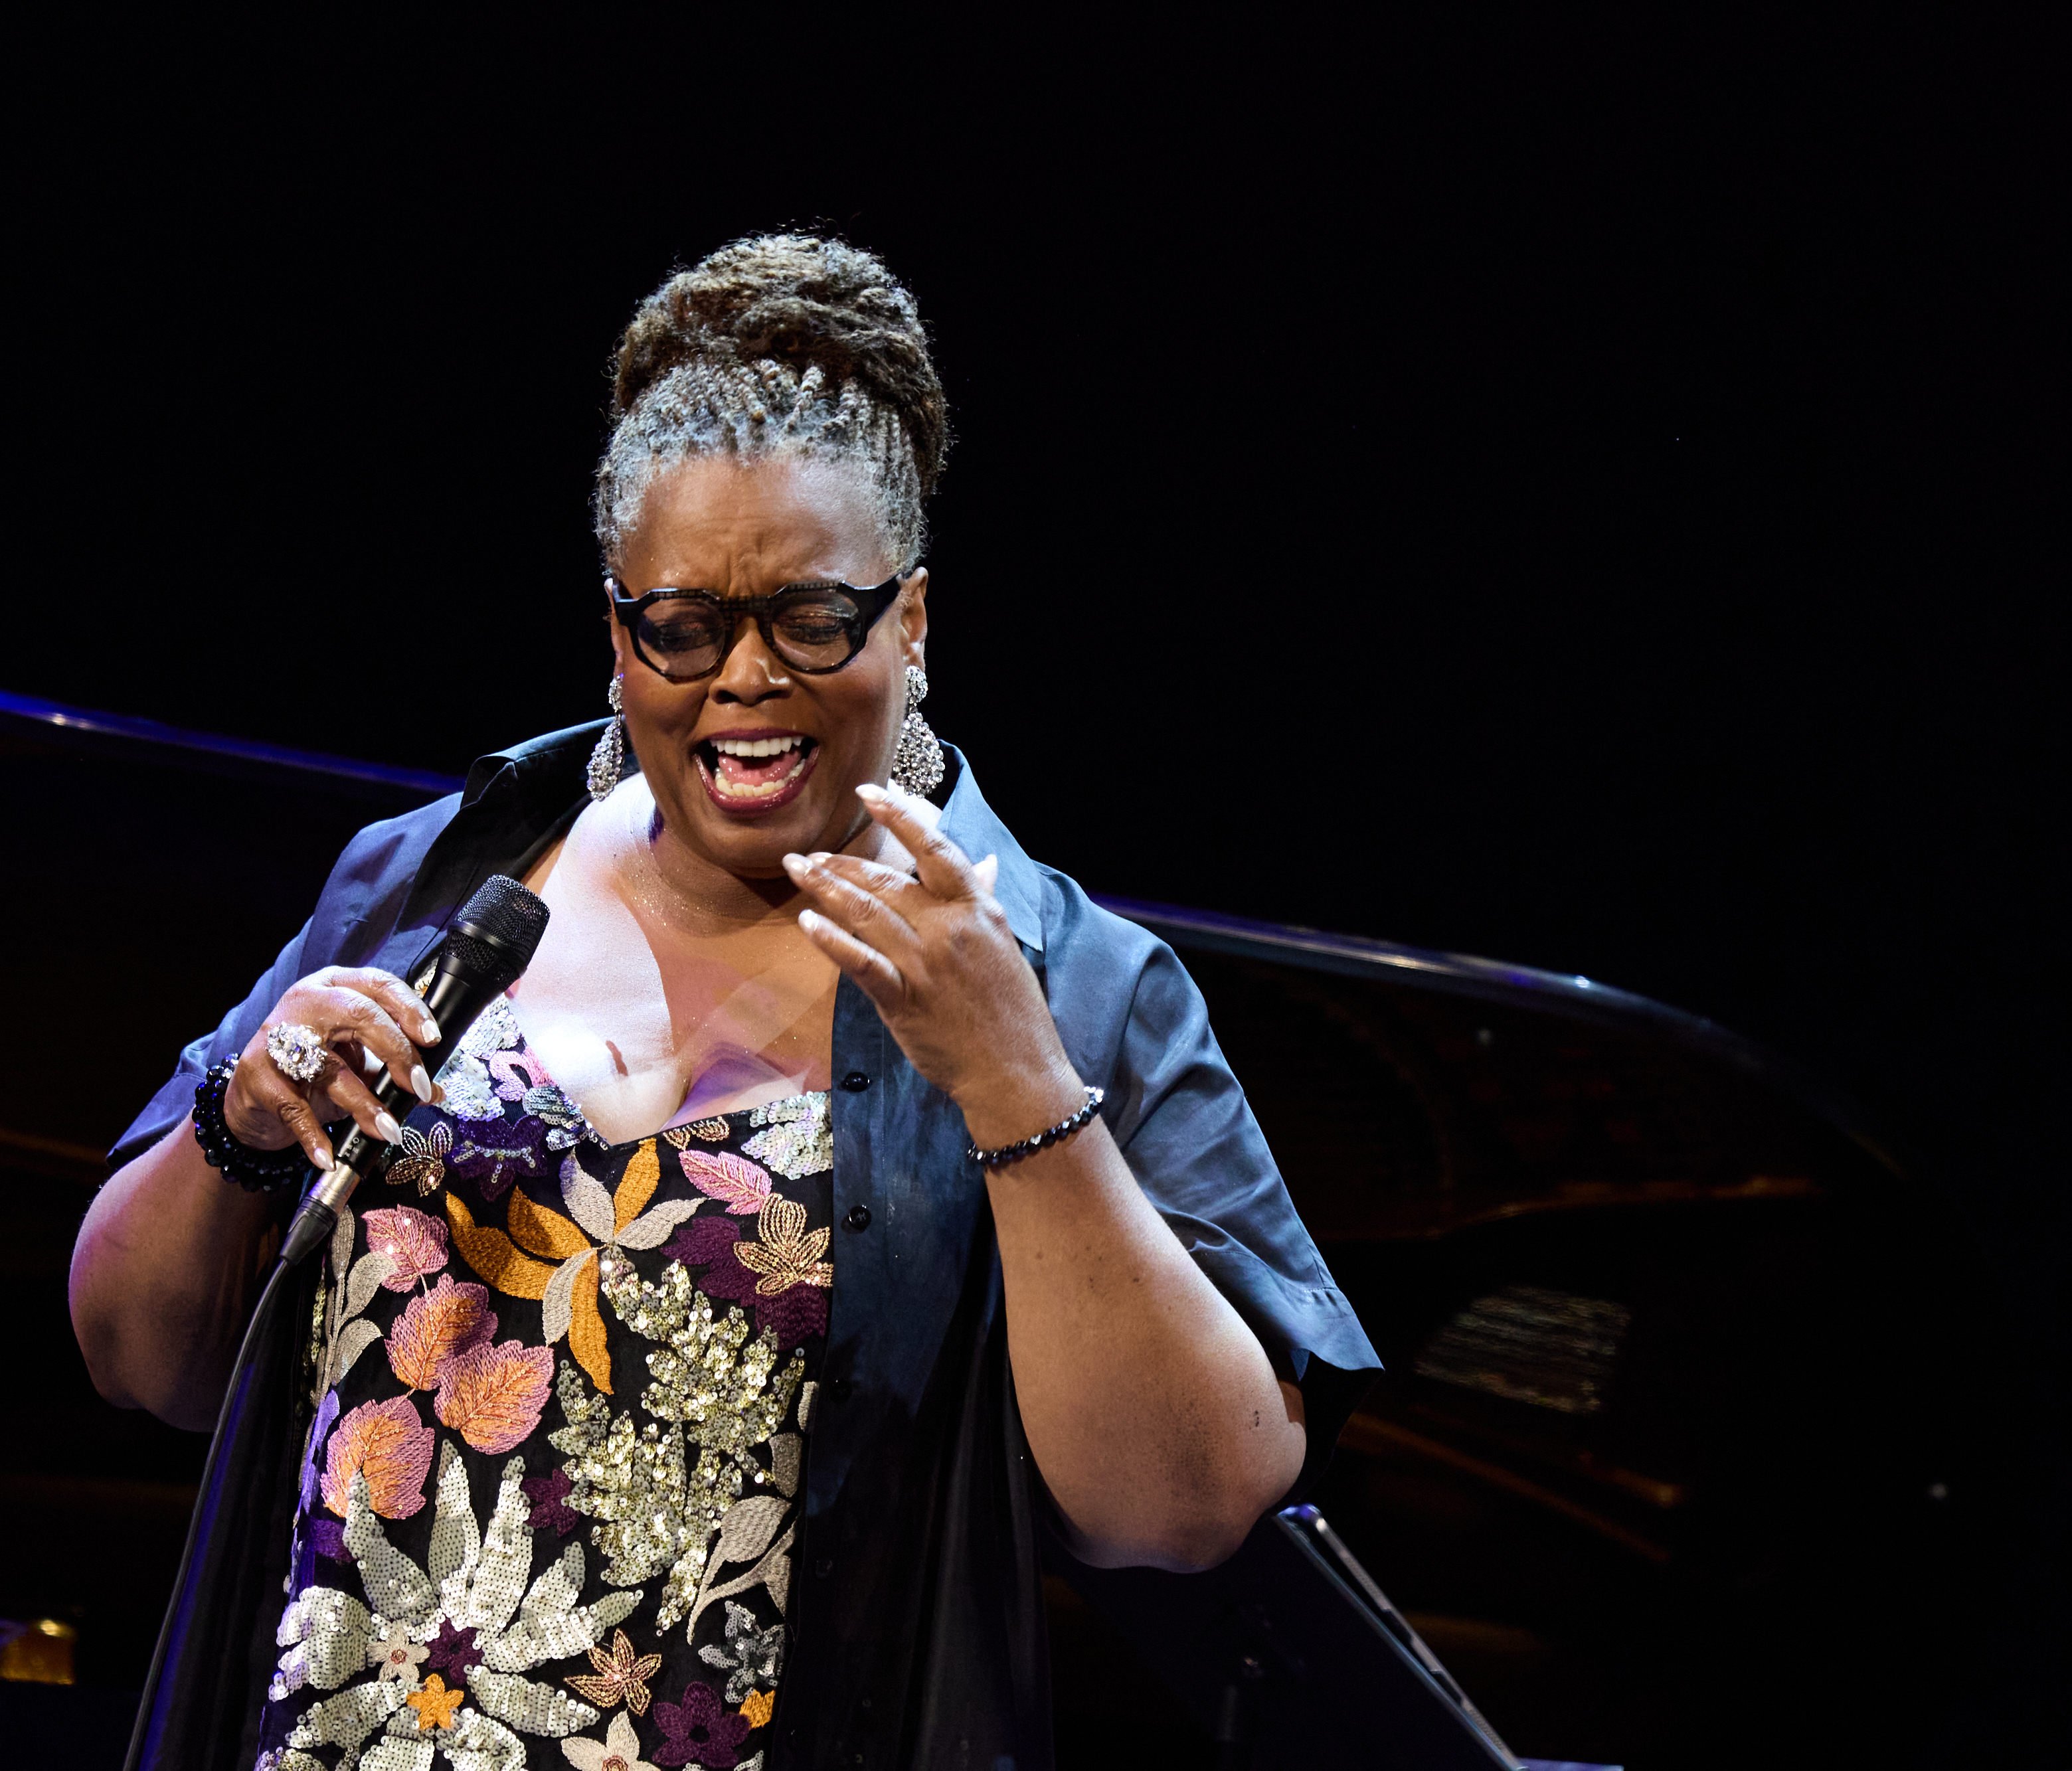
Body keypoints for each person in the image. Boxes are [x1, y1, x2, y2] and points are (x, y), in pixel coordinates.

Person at [70, 234, 1379, 1771]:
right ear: (615, 631)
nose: (743, 678)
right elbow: (134, 1356)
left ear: (913, 621)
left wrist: (1020, 1088)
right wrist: (236, 1124)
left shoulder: (1069, 978)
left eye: (812, 619)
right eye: (680, 627)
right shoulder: (425, 877)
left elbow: (1188, 1504)